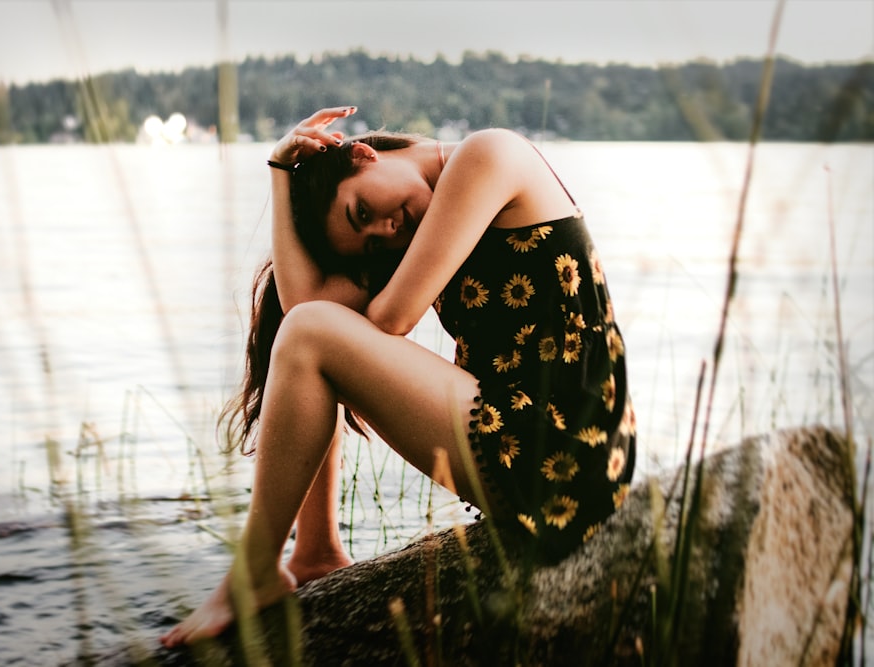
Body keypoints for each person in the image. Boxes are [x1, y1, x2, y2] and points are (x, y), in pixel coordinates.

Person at [160, 106, 636, 646]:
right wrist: (278, 172)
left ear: (362, 154)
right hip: (534, 445)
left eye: (362, 211)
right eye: (370, 242)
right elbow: (301, 312)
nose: (384, 231)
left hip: (562, 453)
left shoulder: (488, 154)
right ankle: (314, 550)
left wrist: (339, 300)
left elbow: (383, 319)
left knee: (317, 334)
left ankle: (254, 572)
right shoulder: (415, 227)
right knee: (311, 332)